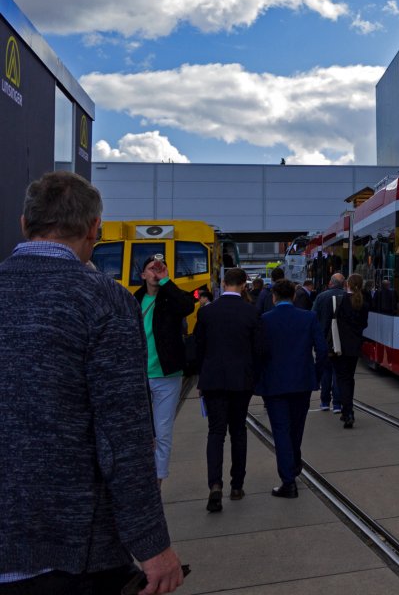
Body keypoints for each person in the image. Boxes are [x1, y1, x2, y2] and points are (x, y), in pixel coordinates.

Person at [0, 171, 184, 592]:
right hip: (73, 552)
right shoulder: (104, 300)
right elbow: (124, 437)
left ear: (25, 223)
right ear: (93, 229)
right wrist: (152, 545)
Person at [193, 267, 264, 513]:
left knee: (215, 433)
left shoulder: (207, 313)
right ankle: (237, 485)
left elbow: (197, 349)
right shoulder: (251, 312)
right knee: (238, 432)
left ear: (223, 283)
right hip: (241, 382)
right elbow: (259, 351)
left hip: (213, 381)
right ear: (244, 285)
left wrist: (201, 378)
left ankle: (215, 484)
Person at [132, 251, 197, 485]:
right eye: (152, 268)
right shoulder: (134, 299)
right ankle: (142, 474)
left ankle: (157, 482)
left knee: (163, 431)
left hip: (168, 374)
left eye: (160, 268)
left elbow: (188, 305)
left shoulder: (171, 298)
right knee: (140, 431)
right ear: (142, 274)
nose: (156, 272)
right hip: (138, 375)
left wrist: (167, 280)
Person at [257, 280, 326, 498]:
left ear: (274, 297)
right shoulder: (308, 317)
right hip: (302, 382)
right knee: (296, 429)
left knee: (281, 431)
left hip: (274, 384)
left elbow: (258, 352)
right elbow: (322, 350)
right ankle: (293, 466)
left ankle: (289, 480)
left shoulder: (265, 320)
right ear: (294, 297)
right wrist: (316, 374)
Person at [332, 273, 370, 428]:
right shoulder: (363, 303)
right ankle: (347, 410)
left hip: (340, 346)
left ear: (347, 284)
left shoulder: (341, 301)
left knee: (342, 379)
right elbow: (364, 324)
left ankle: (347, 412)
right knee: (349, 378)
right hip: (355, 346)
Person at [312, 273, 346, 411]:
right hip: (341, 342)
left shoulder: (321, 297)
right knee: (338, 373)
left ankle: (325, 402)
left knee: (326, 372)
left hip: (323, 340)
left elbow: (313, 316)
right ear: (343, 284)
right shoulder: (346, 297)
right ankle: (337, 403)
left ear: (330, 283)